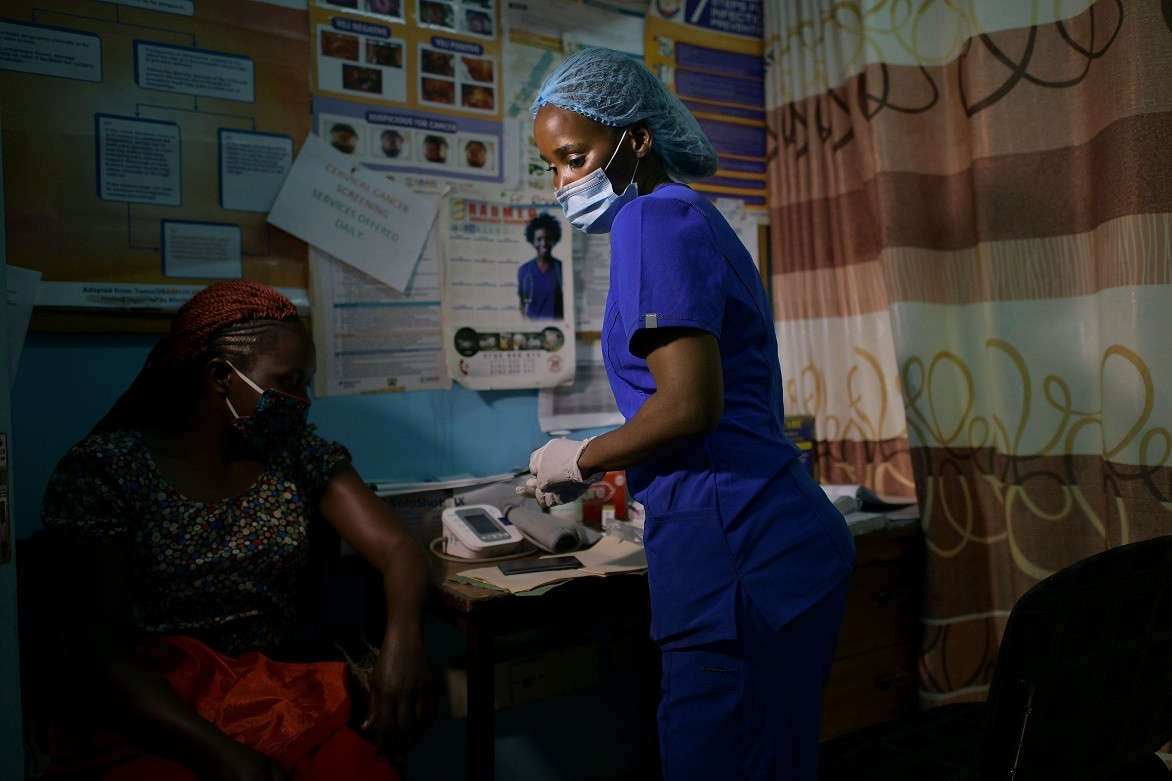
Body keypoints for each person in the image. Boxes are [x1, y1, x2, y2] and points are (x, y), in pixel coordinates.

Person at [522, 47, 856, 780]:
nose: (564, 183)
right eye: (551, 167)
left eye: (575, 158)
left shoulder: (652, 219)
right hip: (775, 537)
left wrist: (580, 457)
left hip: (739, 555)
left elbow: (689, 404)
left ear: (637, 139)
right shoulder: (691, 216)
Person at [41, 281, 432, 780]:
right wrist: (221, 754)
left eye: (305, 383)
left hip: (271, 693)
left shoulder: (298, 454)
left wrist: (404, 640)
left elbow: (398, 549)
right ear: (221, 376)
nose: (301, 401)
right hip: (156, 708)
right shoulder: (105, 472)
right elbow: (101, 655)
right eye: (287, 382)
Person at [517, 212, 564, 320]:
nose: (544, 243)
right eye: (539, 239)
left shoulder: (561, 268)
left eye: (547, 238)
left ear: (553, 240)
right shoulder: (524, 270)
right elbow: (522, 304)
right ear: (532, 241)